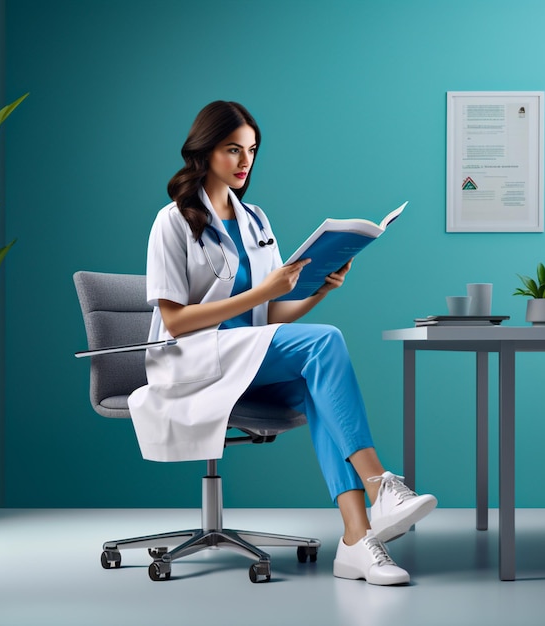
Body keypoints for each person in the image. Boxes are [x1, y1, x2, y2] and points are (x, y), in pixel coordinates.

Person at [128, 100, 437, 586]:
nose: (244, 161)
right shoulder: (172, 221)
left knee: (322, 388)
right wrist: (262, 292)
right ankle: (381, 486)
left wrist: (318, 291)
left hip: (247, 357)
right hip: (191, 360)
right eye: (233, 149)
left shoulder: (255, 220)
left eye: (251, 150)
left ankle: (357, 540)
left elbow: (271, 314)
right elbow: (175, 319)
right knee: (326, 344)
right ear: (205, 151)